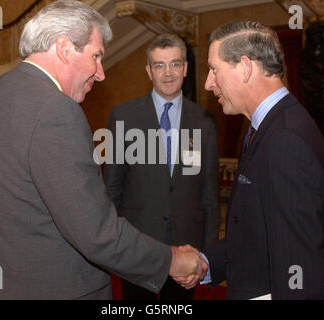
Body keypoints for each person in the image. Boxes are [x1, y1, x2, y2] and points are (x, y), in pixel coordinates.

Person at [0, 1, 206, 300]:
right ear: (64, 48)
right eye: (96, 56)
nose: (100, 73)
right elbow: (96, 233)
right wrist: (173, 260)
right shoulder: (55, 110)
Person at [202, 20, 324, 299]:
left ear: (245, 67)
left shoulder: (285, 139)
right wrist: (207, 263)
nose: (208, 82)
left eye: (214, 69)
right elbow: (257, 228)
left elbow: (298, 266)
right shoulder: (266, 127)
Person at [103, 33, 220, 300]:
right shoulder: (124, 116)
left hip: (188, 248)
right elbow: (112, 189)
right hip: (138, 247)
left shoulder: (203, 120)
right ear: (149, 70)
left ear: (186, 68)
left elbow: (209, 194)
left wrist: (208, 254)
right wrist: (115, 246)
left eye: (175, 64)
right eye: (159, 65)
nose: (168, 73)